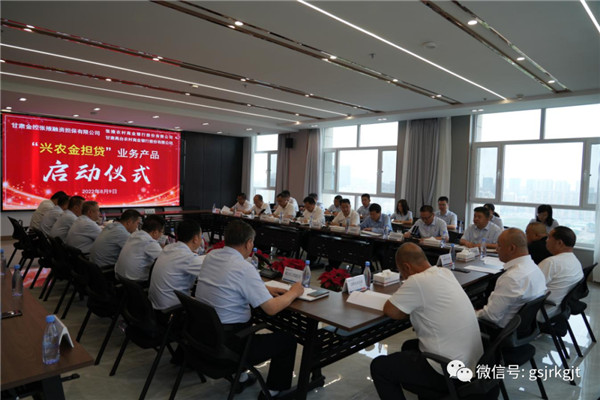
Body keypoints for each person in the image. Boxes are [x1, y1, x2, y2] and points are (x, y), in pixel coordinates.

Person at [195, 220, 303, 398]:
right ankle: (273, 391)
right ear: (248, 243)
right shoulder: (243, 267)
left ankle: (242, 377)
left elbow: (226, 282)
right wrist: (294, 292)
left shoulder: (212, 256)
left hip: (203, 338)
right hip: (230, 345)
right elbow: (271, 309)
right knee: (287, 340)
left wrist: (262, 288)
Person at [370, 243, 483, 400]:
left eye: (401, 272)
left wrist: (408, 310)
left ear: (406, 267)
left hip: (448, 371)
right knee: (408, 346)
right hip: (473, 362)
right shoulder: (445, 272)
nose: (403, 277)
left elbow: (391, 311)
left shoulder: (417, 281)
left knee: (379, 367)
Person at [476, 228, 546, 328]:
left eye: (499, 246)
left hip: (496, 330)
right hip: (522, 328)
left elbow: (490, 317)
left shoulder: (511, 278)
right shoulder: (535, 268)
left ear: (512, 248)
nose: (497, 249)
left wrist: (472, 313)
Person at [149, 220, 204, 312]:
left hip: (155, 305)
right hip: (172, 309)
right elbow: (213, 273)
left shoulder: (169, 248)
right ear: (195, 238)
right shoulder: (188, 258)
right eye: (201, 236)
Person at [538, 226, 583, 319]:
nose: (546, 240)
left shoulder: (551, 263)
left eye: (549, 237)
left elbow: (530, 290)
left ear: (559, 243)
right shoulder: (575, 261)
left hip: (543, 312)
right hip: (560, 310)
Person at [114, 215, 165, 282]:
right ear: (155, 232)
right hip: (135, 282)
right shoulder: (149, 242)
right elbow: (165, 260)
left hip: (121, 277)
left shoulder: (134, 235)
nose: (161, 235)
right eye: (161, 232)